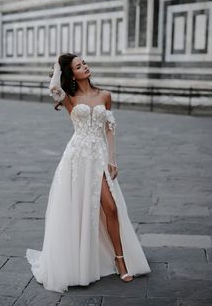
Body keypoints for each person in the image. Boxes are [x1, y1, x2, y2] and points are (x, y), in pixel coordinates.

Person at [25, 53, 151, 293]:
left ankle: (120, 259)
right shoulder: (70, 98)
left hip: (99, 157)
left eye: (84, 63)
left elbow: (110, 128)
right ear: (72, 73)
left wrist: (113, 159)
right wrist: (59, 65)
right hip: (77, 158)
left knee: (111, 207)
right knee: (80, 209)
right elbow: (53, 86)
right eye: (79, 66)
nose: (85, 66)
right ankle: (81, 260)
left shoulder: (105, 95)